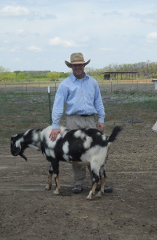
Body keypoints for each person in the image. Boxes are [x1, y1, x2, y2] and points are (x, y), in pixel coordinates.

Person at [49, 52, 113, 194]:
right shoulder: (65, 84)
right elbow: (58, 105)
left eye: (80, 64)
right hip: (73, 119)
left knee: (95, 151)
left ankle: (96, 180)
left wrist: (101, 119)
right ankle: (78, 182)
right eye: (75, 65)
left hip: (90, 119)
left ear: (84, 65)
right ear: (71, 66)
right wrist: (55, 126)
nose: (78, 67)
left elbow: (98, 101)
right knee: (75, 151)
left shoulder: (93, 82)